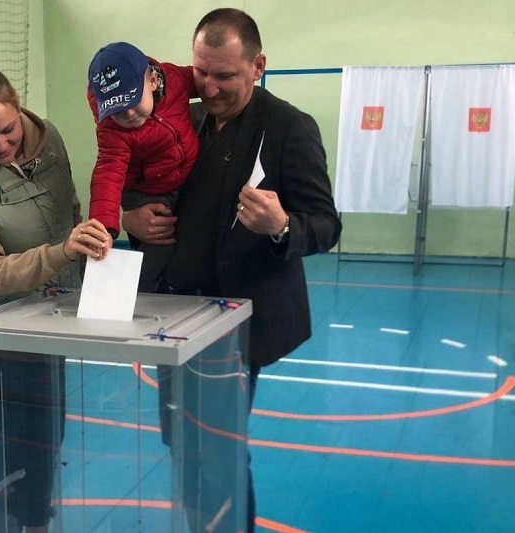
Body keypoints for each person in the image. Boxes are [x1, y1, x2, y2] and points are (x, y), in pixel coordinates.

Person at [123, 8, 342, 532]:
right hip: (172, 315)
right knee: (181, 442)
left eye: (225, 75)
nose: (210, 87)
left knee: (217, 448)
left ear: (258, 66)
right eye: (201, 72)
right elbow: (138, 187)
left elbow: (326, 225)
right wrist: (131, 217)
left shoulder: (289, 128)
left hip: (234, 323)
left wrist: (281, 225)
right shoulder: (180, 117)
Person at [0, 47, 110, 533]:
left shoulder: (50, 140)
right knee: (5, 453)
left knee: (46, 440)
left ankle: (38, 525)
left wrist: (88, 252)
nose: (2, 145)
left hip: (46, 315)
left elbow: (69, 209)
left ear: (19, 106)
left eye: (8, 130)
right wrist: (63, 252)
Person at [87, 41, 198, 291]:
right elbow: (108, 172)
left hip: (183, 174)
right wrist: (104, 229)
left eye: (133, 101)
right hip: (145, 191)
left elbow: (204, 81)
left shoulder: (175, 80)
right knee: (159, 244)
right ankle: (135, 295)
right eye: (118, 110)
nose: (129, 115)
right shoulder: (112, 129)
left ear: (153, 80)